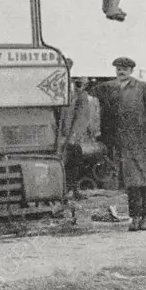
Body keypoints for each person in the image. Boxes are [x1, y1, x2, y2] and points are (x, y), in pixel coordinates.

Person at [96, 57, 146, 232]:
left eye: (125, 69)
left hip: (144, 142)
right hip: (125, 143)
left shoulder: (143, 88)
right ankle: (134, 218)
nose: (121, 71)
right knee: (132, 184)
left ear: (131, 70)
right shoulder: (112, 89)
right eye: (118, 69)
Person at [59, 59, 100, 199]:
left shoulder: (79, 94)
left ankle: (70, 190)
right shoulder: (60, 89)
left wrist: (72, 137)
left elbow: (82, 117)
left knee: (72, 160)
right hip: (57, 135)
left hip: (69, 137)